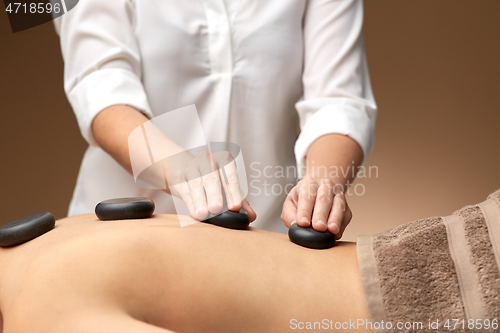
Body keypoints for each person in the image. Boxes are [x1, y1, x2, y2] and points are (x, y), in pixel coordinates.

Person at [54, 0, 377, 235]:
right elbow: (101, 90)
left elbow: (338, 101)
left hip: (262, 238)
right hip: (123, 238)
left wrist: (322, 184)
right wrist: (181, 167)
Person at [1, 189, 499, 333]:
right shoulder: (52, 236)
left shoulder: (41, 312)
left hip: (451, 303)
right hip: (450, 247)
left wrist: (323, 182)